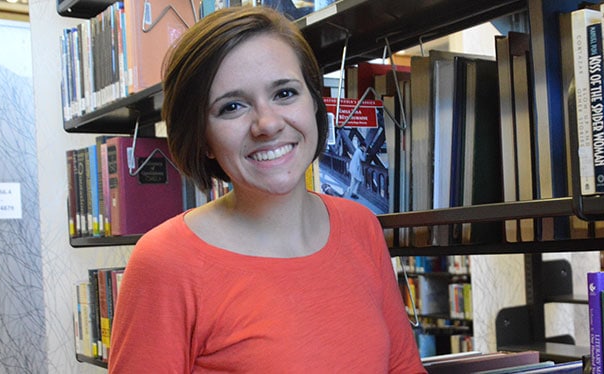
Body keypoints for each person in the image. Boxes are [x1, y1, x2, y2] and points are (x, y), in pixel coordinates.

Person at [109, 6, 425, 373]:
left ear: (313, 101)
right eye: (231, 107)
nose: (268, 123)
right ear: (203, 138)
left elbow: (403, 367)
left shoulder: (361, 227)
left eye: (285, 93)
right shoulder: (165, 262)